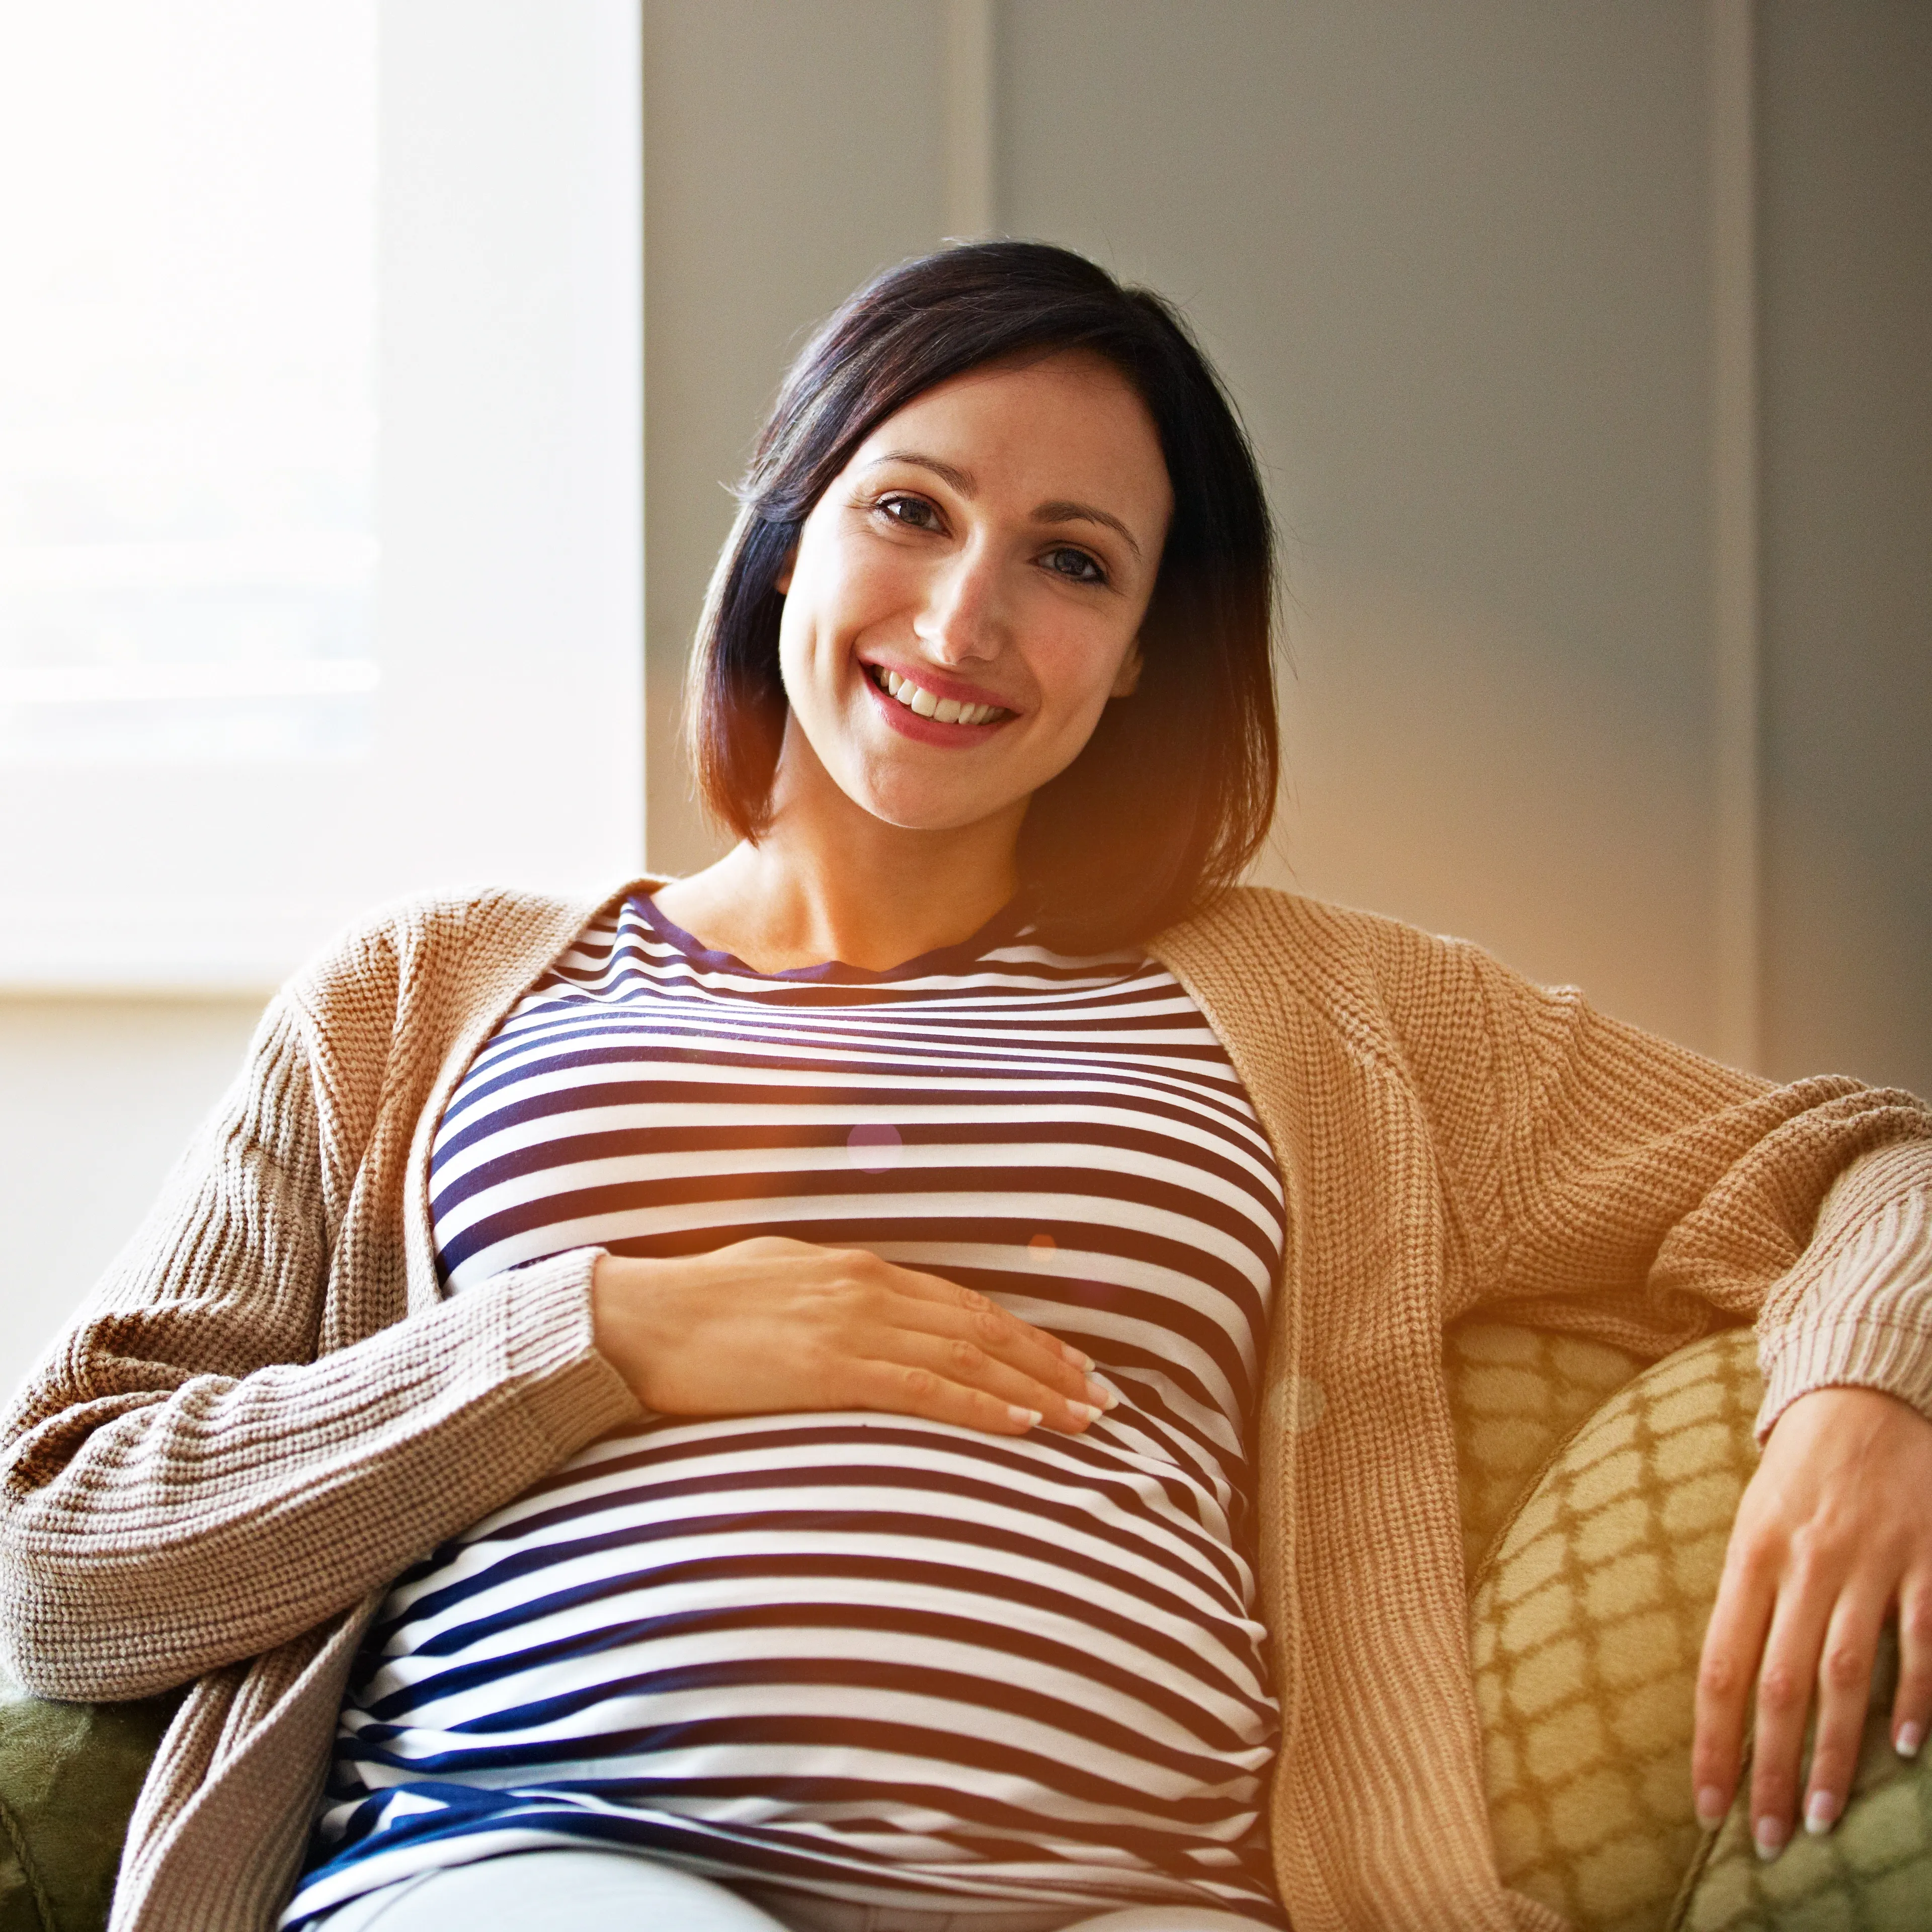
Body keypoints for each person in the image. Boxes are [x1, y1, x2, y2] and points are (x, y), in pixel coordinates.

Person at [2, 242, 1929, 1932]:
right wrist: (598, 1331)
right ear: (788, 531)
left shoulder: (1331, 1015)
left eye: (1071, 564)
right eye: (909, 512)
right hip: (531, 1855)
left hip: (1137, 1899)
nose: (963, 622)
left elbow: (1863, 1159)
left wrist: (1865, 1401)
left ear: (1140, 667)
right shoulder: (417, 999)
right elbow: (66, 1549)